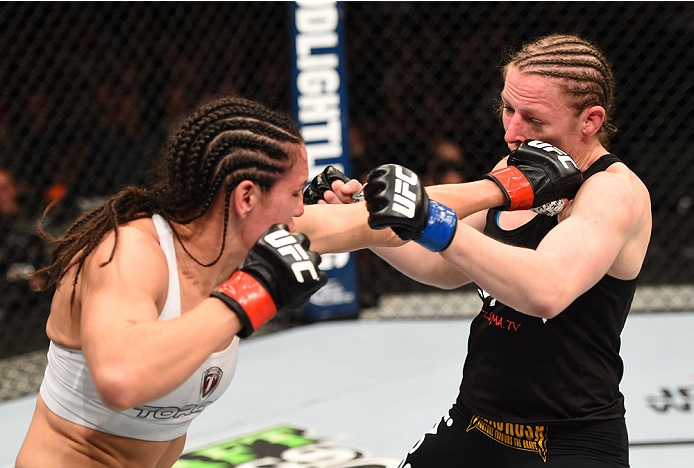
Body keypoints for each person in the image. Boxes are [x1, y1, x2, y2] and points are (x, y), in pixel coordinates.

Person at [302, 33, 651, 467]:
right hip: (476, 421)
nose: (511, 132)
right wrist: (373, 220)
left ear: (590, 120)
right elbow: (442, 265)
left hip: (568, 440)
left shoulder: (614, 192)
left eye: (534, 120)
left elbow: (546, 290)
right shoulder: (515, 167)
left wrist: (429, 216)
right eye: (507, 109)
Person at [15, 96, 327, 468]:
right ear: (246, 197)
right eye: (295, 192)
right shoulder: (128, 252)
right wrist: (249, 295)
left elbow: (371, 223)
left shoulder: (238, 240)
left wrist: (383, 200)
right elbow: (120, 380)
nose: (300, 209)